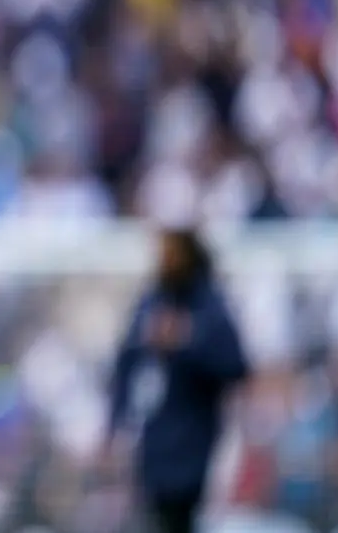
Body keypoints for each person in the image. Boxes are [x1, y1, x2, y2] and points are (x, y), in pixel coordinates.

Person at [106, 228, 250, 533]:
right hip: (152, 432)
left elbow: (235, 366)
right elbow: (126, 361)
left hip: (195, 435)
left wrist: (187, 341)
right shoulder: (153, 300)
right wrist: (115, 422)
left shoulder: (210, 305)